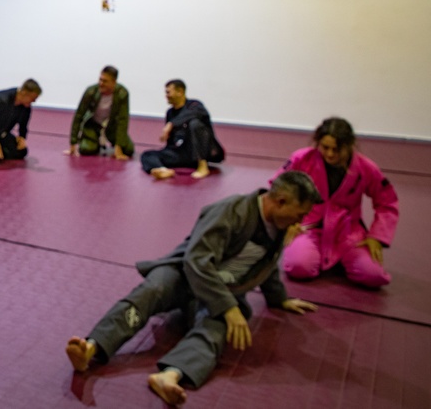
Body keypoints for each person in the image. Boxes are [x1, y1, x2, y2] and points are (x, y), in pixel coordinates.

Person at [65, 171, 322, 405]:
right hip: (184, 275)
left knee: (217, 329)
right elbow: (196, 260)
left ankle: (170, 375)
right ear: (280, 202)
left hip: (220, 293)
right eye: (299, 213)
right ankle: (92, 347)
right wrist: (230, 307)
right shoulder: (231, 211)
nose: (301, 221)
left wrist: (279, 299)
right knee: (151, 291)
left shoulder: (279, 229)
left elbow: (265, 267)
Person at [275, 117, 399, 288]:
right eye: (325, 147)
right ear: (317, 142)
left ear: (350, 145)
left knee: (373, 276)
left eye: (337, 149)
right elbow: (276, 190)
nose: (330, 154)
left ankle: (340, 257)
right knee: (299, 267)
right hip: (307, 228)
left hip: (348, 233)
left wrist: (376, 237)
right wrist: (286, 222)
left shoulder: (366, 168)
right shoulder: (302, 159)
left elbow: (387, 203)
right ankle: (313, 253)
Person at [141, 79, 225, 180]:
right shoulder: (170, 112)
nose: (166, 96)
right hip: (181, 154)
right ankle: (162, 170)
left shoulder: (195, 105)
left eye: (168, 92)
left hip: (199, 152)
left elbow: (195, 114)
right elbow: (171, 140)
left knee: (195, 124)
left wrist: (171, 124)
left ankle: (202, 166)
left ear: (180, 92)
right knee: (148, 154)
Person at [67, 66, 134, 160]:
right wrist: (73, 142)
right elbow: (79, 115)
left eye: (105, 81)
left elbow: (123, 120)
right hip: (93, 125)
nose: (101, 83)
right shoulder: (90, 91)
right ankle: (94, 141)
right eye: (100, 80)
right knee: (86, 149)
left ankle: (112, 143)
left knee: (128, 150)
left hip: (111, 127)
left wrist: (118, 147)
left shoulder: (122, 93)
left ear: (114, 82)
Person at [0, 79, 42, 166]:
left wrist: (22, 137)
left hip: (0, 134)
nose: (34, 101)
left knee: (22, 151)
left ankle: (1, 152)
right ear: (24, 92)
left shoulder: (25, 107)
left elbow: (23, 124)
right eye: (33, 98)